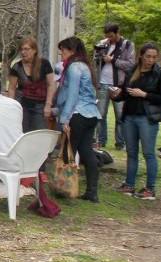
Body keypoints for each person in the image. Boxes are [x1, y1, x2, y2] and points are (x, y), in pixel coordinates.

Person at [111, 43, 161, 200]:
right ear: (141, 55)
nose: (151, 60)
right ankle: (129, 185)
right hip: (129, 116)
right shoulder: (132, 70)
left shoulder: (159, 74)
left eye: (154, 57)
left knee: (148, 153)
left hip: (147, 118)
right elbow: (125, 93)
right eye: (148, 56)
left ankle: (150, 188)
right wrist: (116, 94)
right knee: (131, 152)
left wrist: (144, 95)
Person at [55, 36, 102, 203]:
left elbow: (72, 95)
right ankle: (92, 192)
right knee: (87, 152)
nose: (61, 55)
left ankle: (66, 189)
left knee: (69, 152)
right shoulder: (85, 66)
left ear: (72, 51)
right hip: (91, 114)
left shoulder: (74, 67)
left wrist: (65, 118)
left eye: (63, 51)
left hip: (78, 114)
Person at [94, 23, 136, 150]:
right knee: (100, 113)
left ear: (118, 33)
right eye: (107, 36)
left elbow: (131, 64)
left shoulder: (127, 45)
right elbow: (95, 61)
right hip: (102, 82)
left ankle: (120, 142)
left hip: (118, 84)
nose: (109, 38)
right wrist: (99, 55)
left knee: (120, 114)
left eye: (111, 36)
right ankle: (101, 140)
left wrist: (112, 60)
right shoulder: (103, 43)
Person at [8, 37, 57, 132]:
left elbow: (51, 84)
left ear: (34, 50)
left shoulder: (44, 63)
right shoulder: (16, 67)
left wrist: (48, 105)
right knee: (23, 134)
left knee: (40, 133)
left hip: (40, 106)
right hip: (22, 106)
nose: (23, 52)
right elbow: (12, 88)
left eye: (26, 49)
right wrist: (11, 107)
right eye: (21, 49)